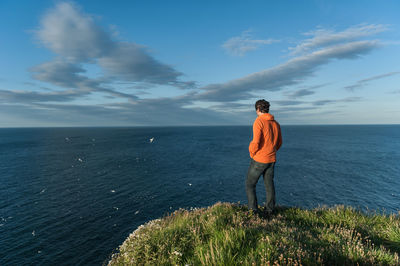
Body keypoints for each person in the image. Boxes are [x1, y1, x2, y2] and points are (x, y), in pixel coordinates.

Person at [246, 99, 282, 215]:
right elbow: (279, 142)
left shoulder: (259, 121)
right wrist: (271, 151)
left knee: (250, 184)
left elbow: (256, 142)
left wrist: (252, 152)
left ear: (258, 109)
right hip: (271, 159)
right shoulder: (276, 123)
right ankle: (270, 211)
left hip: (259, 159)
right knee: (269, 185)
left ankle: (253, 211)